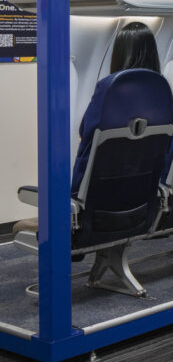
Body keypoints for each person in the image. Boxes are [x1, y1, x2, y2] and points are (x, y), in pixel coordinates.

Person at [13, 21, 162, 250]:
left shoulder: (109, 93)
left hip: (92, 210)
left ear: (119, 53)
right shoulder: (161, 95)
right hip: (139, 207)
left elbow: (85, 135)